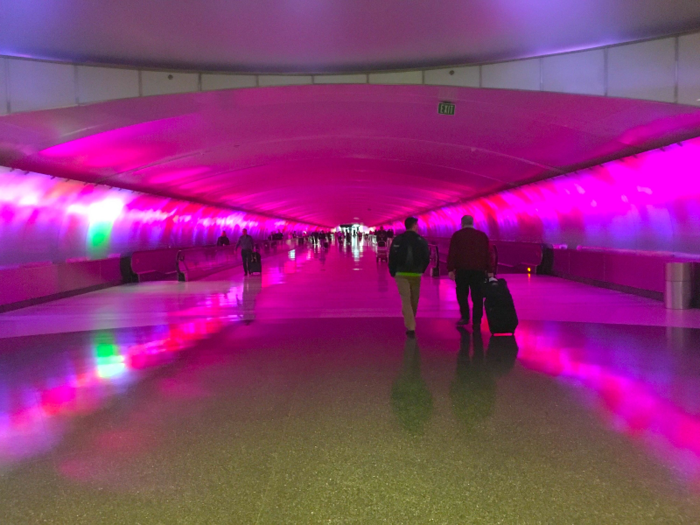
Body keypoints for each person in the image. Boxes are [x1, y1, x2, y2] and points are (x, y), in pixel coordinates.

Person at [447, 215, 494, 330]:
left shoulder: (457, 236)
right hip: (478, 271)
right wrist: (490, 270)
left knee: (462, 294)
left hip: (462, 270)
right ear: (473, 223)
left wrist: (450, 269)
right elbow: (488, 254)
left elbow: (452, 253)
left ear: (462, 224)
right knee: (477, 296)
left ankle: (465, 317)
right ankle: (477, 320)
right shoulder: (482, 236)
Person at [388, 217, 431, 338]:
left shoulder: (398, 239)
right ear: (414, 226)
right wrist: (422, 270)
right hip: (416, 274)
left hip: (401, 273)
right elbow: (426, 257)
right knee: (414, 299)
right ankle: (411, 325)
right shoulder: (421, 240)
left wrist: (393, 270)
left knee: (406, 299)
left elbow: (392, 256)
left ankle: (410, 322)